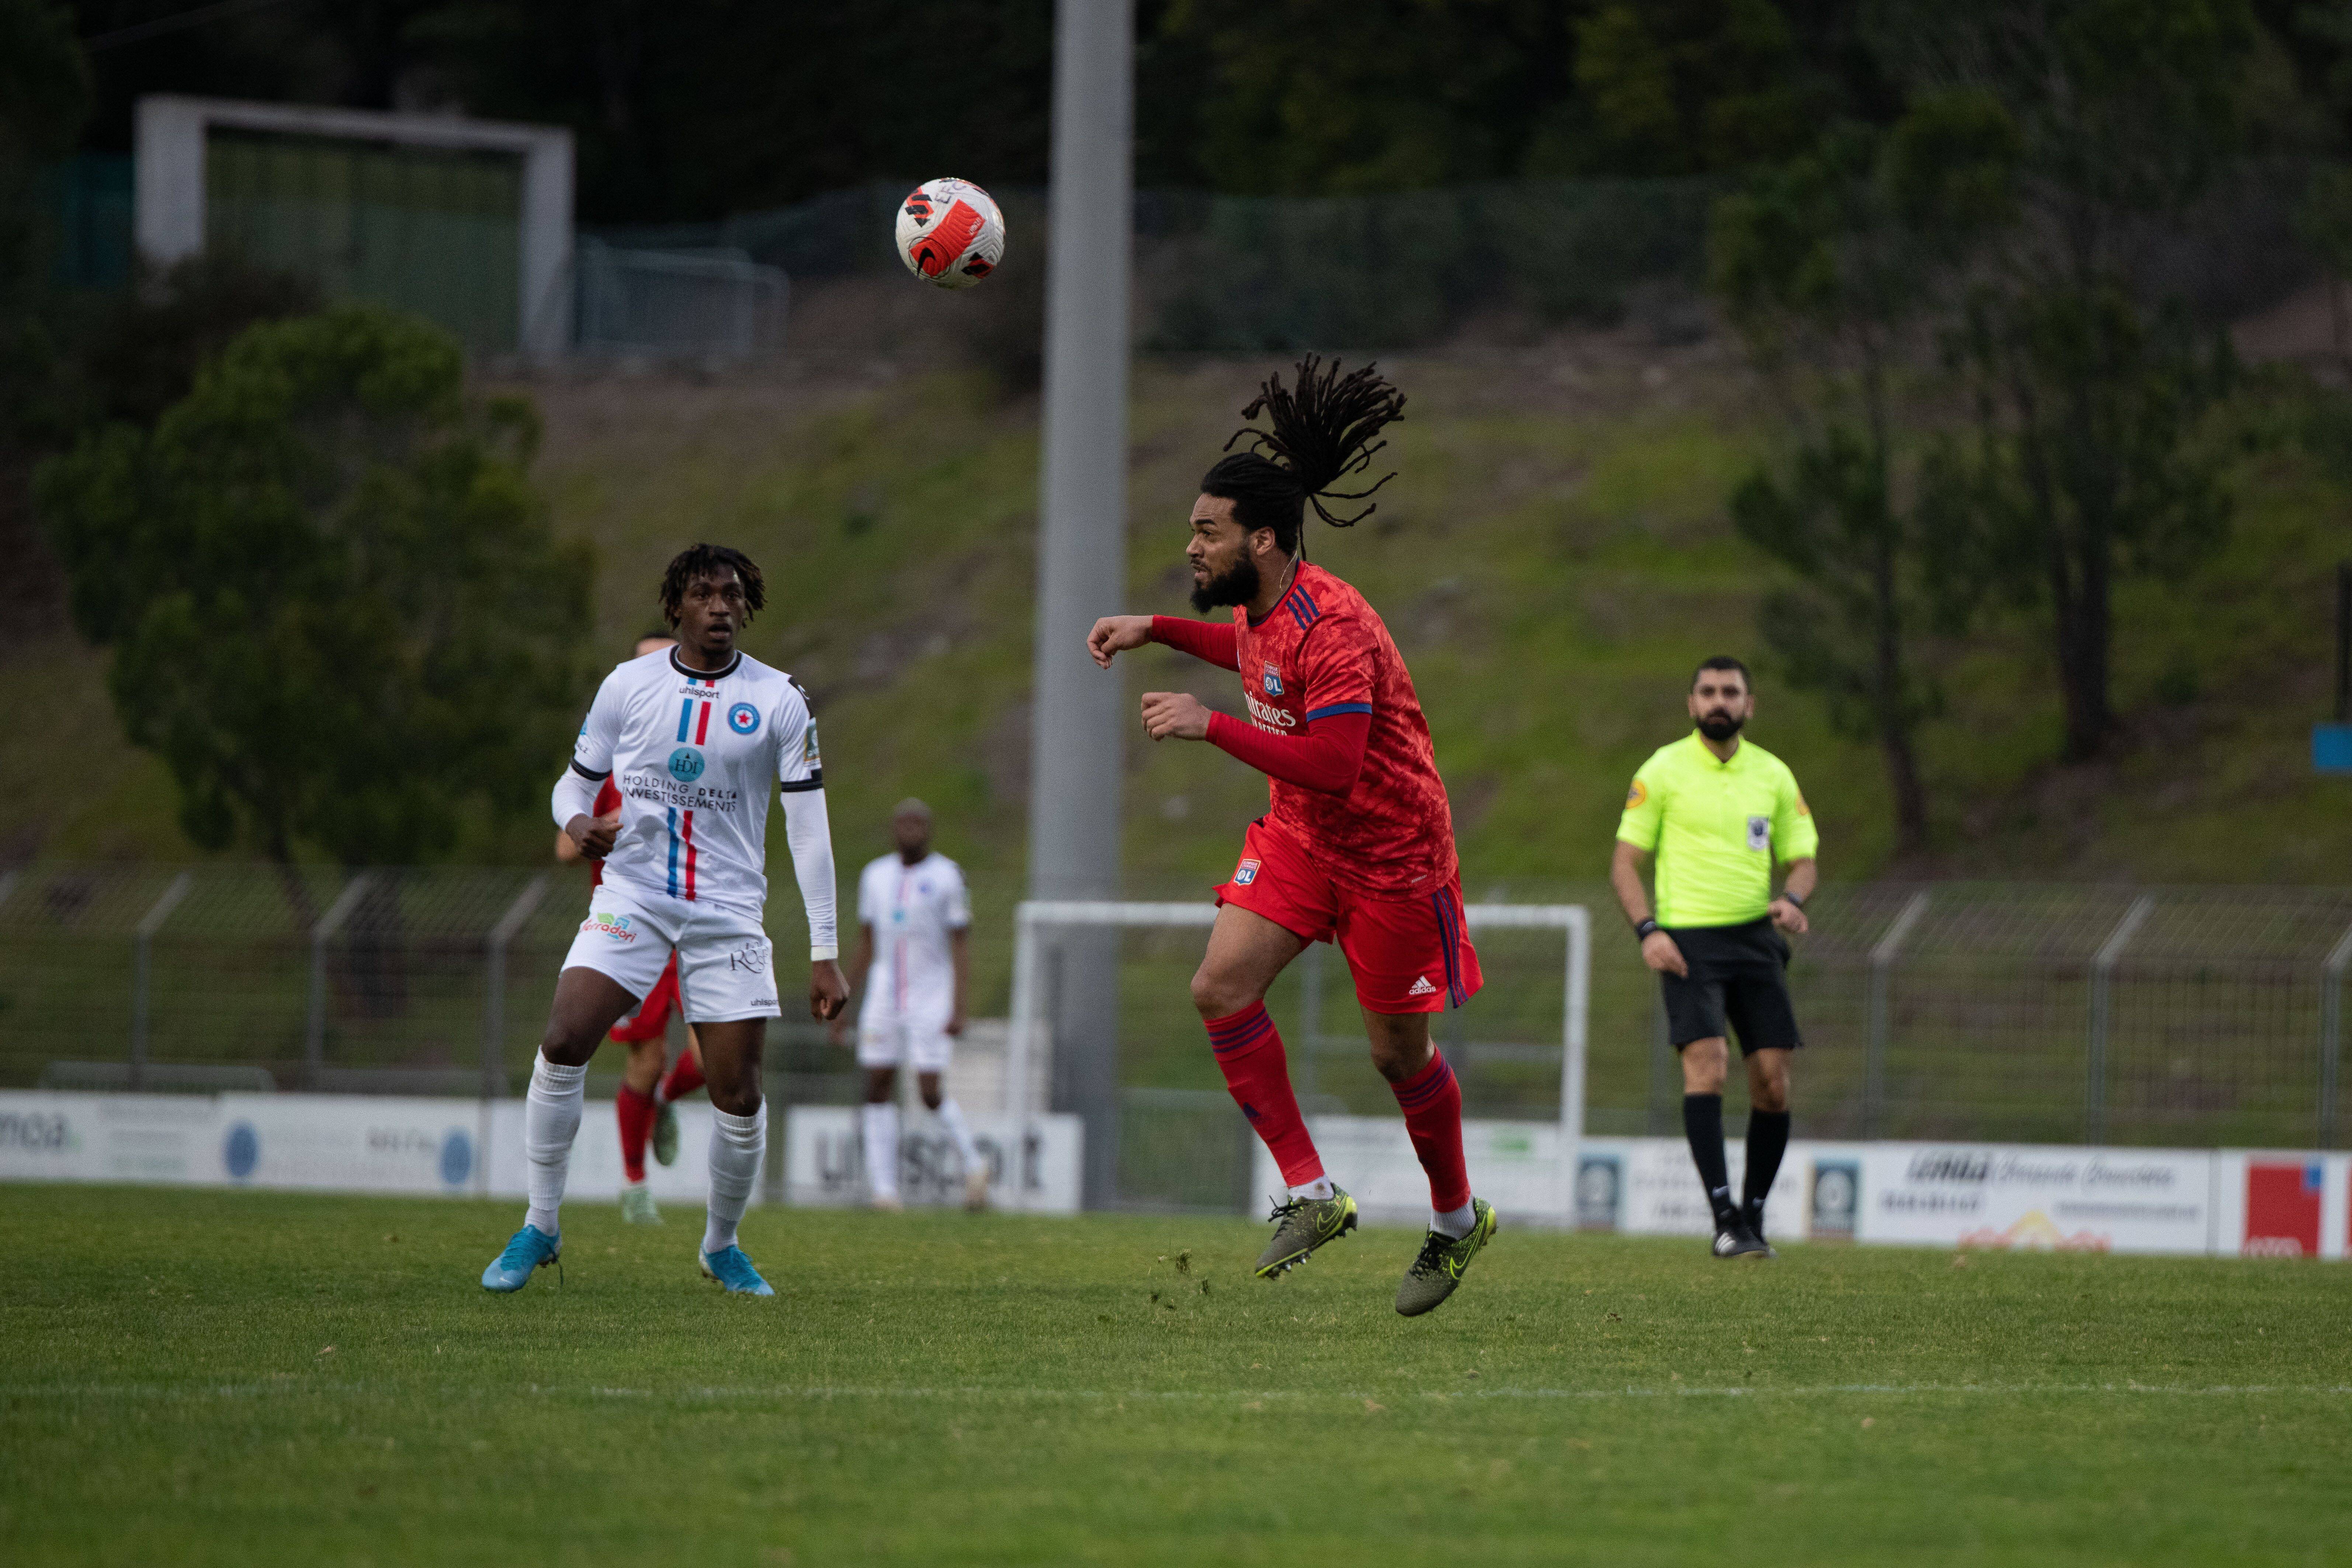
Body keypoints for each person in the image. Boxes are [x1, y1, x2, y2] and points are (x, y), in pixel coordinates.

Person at [1086, 356, 1495, 1318]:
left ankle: (1455, 1218)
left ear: (1260, 539)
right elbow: (1248, 649)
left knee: (1398, 1056)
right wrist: (1153, 626)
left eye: (1206, 531)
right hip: (1304, 842)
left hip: (1395, 861)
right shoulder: (1262, 608)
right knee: (1218, 987)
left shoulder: (1338, 625)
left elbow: (1336, 763)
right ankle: (1312, 1192)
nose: (1190, 545)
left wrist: (1208, 724)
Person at [480, 544, 849, 1296]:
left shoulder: (781, 698)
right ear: (675, 604)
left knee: (736, 1092)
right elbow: (571, 784)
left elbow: (810, 829)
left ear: (749, 607)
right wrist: (579, 822)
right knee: (563, 1037)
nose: (720, 606)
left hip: (729, 912)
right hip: (634, 896)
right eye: (705, 593)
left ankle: (721, 1244)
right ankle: (540, 1224)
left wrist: (825, 949)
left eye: (734, 594)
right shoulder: (628, 684)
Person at [1610, 656, 1818, 1260]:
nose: (1718, 700)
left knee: (1772, 1083)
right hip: (1687, 942)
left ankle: (1752, 1216)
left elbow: (1802, 857)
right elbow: (1624, 861)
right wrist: (1647, 930)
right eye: (1707, 691)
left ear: (1749, 704)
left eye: (1730, 691)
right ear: (1691, 703)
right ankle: (1723, 1217)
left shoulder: (1774, 775)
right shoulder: (1662, 769)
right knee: (1707, 1067)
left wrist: (1793, 897)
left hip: (1755, 940)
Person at [553, 630, 710, 1227]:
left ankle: (668, 1100)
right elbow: (566, 845)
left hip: (696, 927)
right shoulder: (605, 756)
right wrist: (599, 826)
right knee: (643, 1060)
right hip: (630, 931)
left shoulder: (700, 752)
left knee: (710, 1060)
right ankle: (634, 1183)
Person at [830, 799, 985, 1211]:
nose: (911, 829)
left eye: (919, 822)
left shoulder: (948, 875)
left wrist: (959, 1006)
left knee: (929, 1090)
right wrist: (844, 997)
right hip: (884, 995)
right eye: (904, 822)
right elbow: (866, 941)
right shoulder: (875, 875)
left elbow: (961, 943)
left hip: (930, 995)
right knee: (877, 1083)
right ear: (893, 828)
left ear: (930, 829)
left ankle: (974, 1165)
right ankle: (885, 1191)